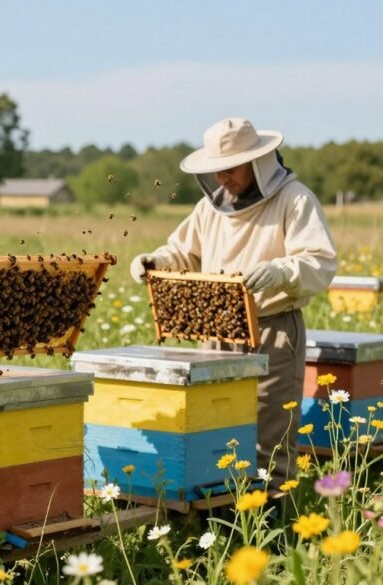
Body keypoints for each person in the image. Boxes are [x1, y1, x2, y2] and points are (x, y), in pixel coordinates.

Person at [130, 117, 337, 488]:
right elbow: (182, 252)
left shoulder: (295, 199)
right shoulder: (210, 208)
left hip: (272, 330)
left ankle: (283, 534)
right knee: (215, 435)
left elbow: (320, 262)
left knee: (269, 442)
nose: (222, 178)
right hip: (217, 332)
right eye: (216, 170)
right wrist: (156, 261)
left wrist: (282, 271)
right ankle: (224, 527)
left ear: (260, 162)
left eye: (230, 168)